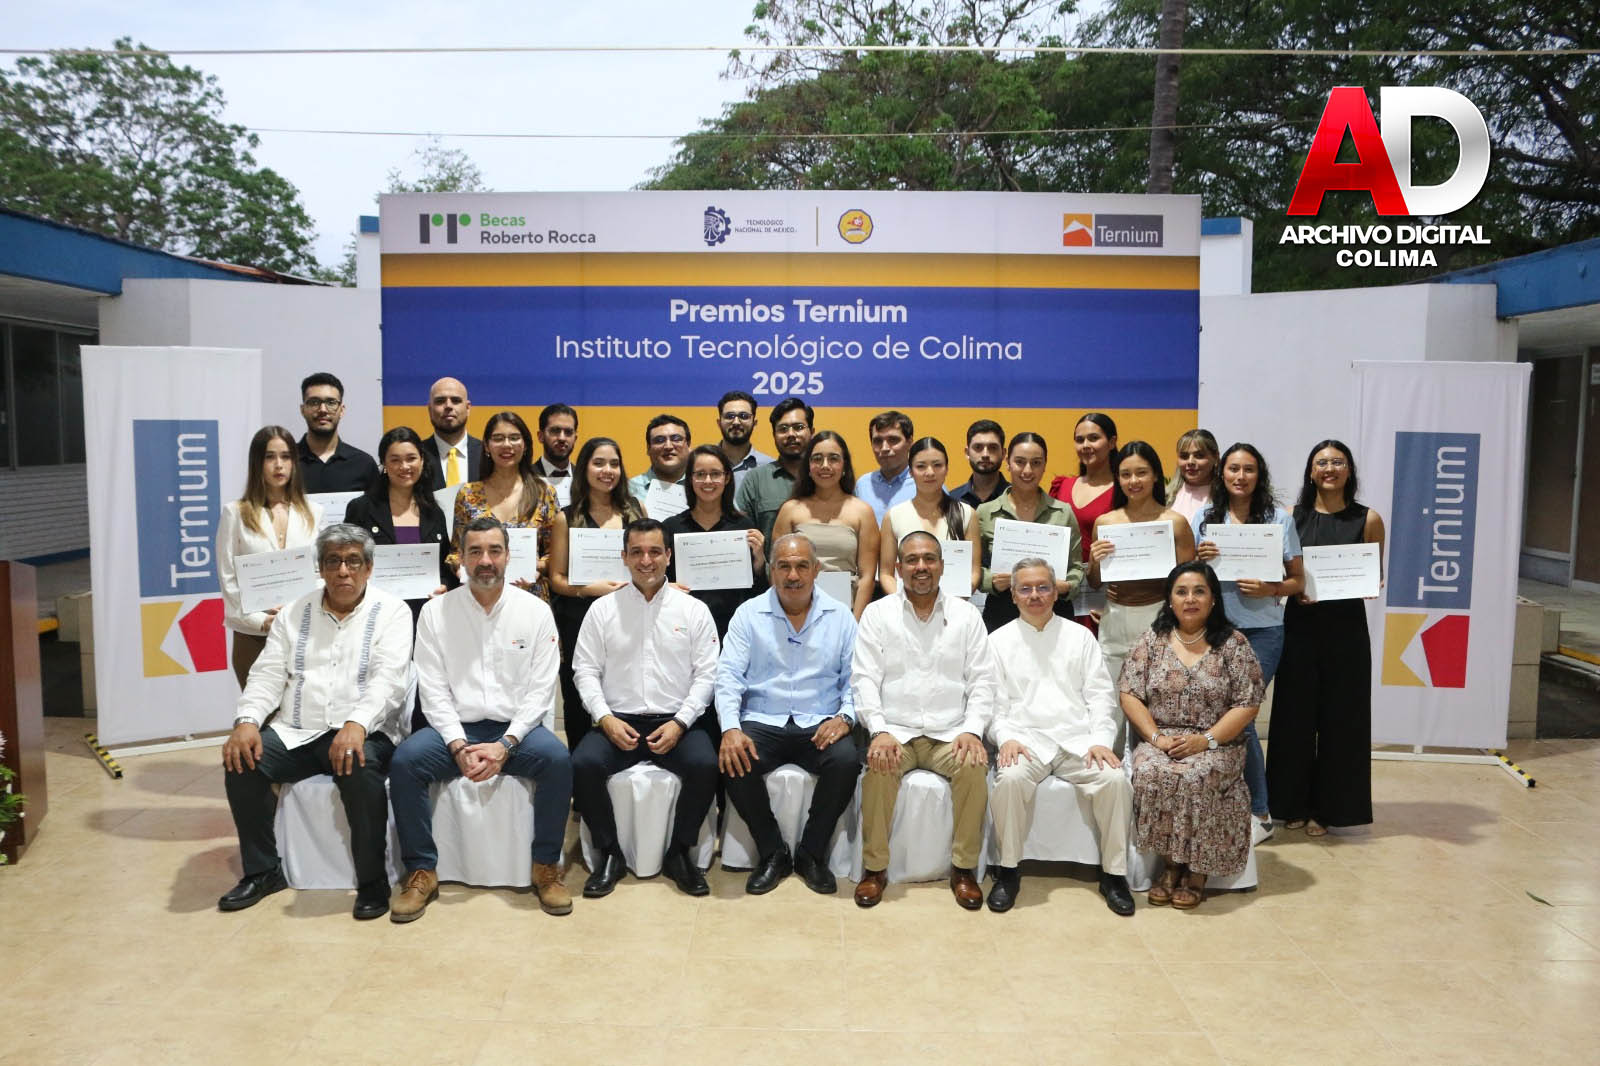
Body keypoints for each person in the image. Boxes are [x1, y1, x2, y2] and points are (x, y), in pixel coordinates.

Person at [217, 524, 411, 920]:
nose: (343, 571)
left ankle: (372, 882)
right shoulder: (293, 612)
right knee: (242, 761)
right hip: (298, 730)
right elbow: (268, 674)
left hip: (365, 729)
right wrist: (247, 720)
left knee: (359, 766)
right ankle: (263, 871)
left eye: (353, 561)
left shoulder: (393, 611)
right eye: (333, 561)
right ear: (319, 568)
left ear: (369, 568)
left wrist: (357, 723)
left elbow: (389, 681)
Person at [388, 517, 574, 921]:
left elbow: (541, 689)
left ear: (508, 556)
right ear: (461, 558)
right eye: (475, 551)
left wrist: (506, 744)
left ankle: (545, 867)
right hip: (454, 729)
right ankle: (421, 871)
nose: (485, 560)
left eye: (494, 551)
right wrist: (457, 745)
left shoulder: (536, 611)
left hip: (517, 731)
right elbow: (432, 689)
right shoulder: (435, 613)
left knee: (558, 761)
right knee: (405, 763)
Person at [571, 518, 721, 898]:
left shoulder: (693, 610)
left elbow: (707, 674)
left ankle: (679, 852)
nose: (646, 560)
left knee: (706, 765)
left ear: (669, 555)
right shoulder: (602, 610)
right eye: (636, 552)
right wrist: (604, 719)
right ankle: (610, 853)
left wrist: (681, 723)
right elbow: (584, 671)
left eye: (655, 551)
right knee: (583, 764)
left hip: (676, 721)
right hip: (617, 721)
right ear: (623, 557)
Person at [852, 532, 997, 909]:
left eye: (930, 559)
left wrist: (972, 730)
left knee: (973, 766)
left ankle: (963, 869)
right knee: (879, 766)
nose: (921, 567)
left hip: (949, 733)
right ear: (898, 567)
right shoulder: (877, 614)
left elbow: (983, 680)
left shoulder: (966, 616)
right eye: (912, 560)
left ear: (943, 566)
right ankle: (875, 869)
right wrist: (878, 730)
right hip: (895, 732)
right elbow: (864, 679)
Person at [986, 558, 1135, 916]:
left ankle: (1114, 874)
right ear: (1013, 595)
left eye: (1043, 587)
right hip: (1025, 740)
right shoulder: (997, 641)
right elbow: (992, 704)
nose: (1034, 595)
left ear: (1056, 592)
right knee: (1009, 780)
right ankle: (1008, 871)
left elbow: (1100, 696)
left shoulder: (1080, 636)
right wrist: (1005, 737)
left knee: (1115, 780)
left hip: (1077, 740)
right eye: (1025, 588)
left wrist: (1101, 740)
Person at [716, 533, 858, 895]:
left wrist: (845, 718)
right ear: (771, 571)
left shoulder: (840, 616)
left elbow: (856, 678)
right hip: (764, 718)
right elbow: (728, 675)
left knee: (845, 760)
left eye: (801, 566)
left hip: (820, 719)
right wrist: (730, 727)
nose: (792, 575)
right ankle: (772, 852)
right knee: (735, 759)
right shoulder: (748, 614)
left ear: (816, 570)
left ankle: (812, 854)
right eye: (783, 566)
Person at [1121, 562, 1264, 909]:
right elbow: (1129, 693)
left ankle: (1197, 871)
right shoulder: (1152, 641)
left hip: (1217, 742)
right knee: (1151, 771)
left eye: (1199, 591)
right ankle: (1171, 865)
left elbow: (1247, 704)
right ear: (1169, 599)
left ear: (1213, 599)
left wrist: (1206, 740)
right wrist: (1156, 739)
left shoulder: (1234, 644)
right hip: (1162, 739)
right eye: (1181, 592)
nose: (1190, 599)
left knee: (1197, 775)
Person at [1268, 439, 1385, 836]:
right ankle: (1291, 804)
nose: (1330, 468)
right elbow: (1283, 573)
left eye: (1338, 461)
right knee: (1293, 716)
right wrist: (1292, 586)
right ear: (1311, 471)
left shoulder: (1368, 519)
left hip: (1347, 630)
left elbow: (1375, 573)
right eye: (1322, 462)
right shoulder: (1291, 517)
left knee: (1343, 719)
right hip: (1300, 626)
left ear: (1349, 470)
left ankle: (1331, 810)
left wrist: (1369, 583)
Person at [1191, 442, 1304, 842]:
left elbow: (1298, 581)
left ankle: (1260, 813)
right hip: (1214, 631)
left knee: (1242, 717)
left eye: (1249, 469)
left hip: (1263, 632)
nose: (1241, 476)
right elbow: (1190, 578)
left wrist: (1271, 588)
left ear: (1260, 475)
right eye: (1234, 469)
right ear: (1222, 474)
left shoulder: (1279, 519)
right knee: (1219, 715)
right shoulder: (1206, 518)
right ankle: (1223, 804)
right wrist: (1199, 559)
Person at [663, 445, 768, 760]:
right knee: (695, 709)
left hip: (732, 632)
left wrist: (759, 561)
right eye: (700, 474)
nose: (707, 481)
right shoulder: (671, 528)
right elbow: (657, 583)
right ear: (689, 479)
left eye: (715, 474)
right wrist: (668, 587)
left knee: (729, 705)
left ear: (727, 479)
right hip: (684, 634)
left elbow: (758, 593)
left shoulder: (743, 527)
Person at [1088, 441, 1197, 746]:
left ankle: (1153, 770)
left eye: (1141, 473)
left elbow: (1188, 583)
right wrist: (1094, 561)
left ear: (1155, 475)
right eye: (1125, 474)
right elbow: (1094, 582)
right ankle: (1109, 771)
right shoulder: (1106, 522)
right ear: (1117, 478)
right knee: (1111, 706)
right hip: (1115, 618)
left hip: (1159, 617)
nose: (1133, 481)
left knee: (1158, 707)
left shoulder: (1175, 523)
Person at [549, 437, 643, 753]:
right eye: (599, 463)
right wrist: (591, 589)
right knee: (578, 696)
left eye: (614, 464)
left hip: (628, 617)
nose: (607, 470)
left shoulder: (635, 510)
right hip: (579, 617)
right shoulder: (566, 517)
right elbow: (556, 579)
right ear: (584, 469)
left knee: (626, 689)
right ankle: (580, 765)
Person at [217, 425, 322, 686]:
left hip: (304, 631)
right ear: (257, 463)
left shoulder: (314, 512)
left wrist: (300, 612)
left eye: (286, 457)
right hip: (253, 636)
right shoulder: (235, 513)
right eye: (269, 457)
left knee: (306, 708)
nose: (279, 465)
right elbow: (228, 578)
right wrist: (261, 621)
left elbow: (320, 573)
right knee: (260, 710)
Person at [343, 427, 455, 625]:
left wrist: (444, 586)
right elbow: (347, 562)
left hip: (425, 615)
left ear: (422, 460)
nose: (404, 466)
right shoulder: (361, 508)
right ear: (384, 464)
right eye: (395, 460)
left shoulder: (434, 512)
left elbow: (444, 566)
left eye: (411, 458)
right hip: (374, 616)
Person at [976, 432, 1082, 632]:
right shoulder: (985, 512)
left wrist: (1067, 586)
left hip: (1054, 611)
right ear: (1007, 463)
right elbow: (974, 568)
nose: (1027, 470)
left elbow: (1076, 567)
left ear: (1044, 465)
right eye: (1020, 462)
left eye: (1036, 463)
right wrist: (992, 581)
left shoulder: (1063, 512)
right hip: (1002, 611)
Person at [770, 431, 880, 619]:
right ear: (808, 466)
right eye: (817, 459)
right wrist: (788, 617)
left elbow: (867, 577)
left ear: (844, 465)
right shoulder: (790, 510)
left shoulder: (863, 512)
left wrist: (854, 623)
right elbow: (777, 570)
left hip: (846, 613)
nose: (825, 465)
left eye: (833, 459)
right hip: (796, 612)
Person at [450, 411, 559, 599]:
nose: (507, 445)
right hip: (480, 594)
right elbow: (455, 553)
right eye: (498, 439)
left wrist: (536, 567)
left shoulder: (544, 492)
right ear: (486, 446)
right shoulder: (467, 494)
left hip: (529, 595)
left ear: (525, 445)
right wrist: (460, 567)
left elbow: (555, 554)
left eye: (514, 438)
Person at [878, 437, 980, 596]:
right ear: (910, 472)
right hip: (905, 606)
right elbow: (886, 574)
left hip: (953, 606)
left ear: (947, 469)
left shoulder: (966, 514)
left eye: (937, 465)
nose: (930, 472)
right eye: (921, 466)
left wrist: (952, 604)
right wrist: (905, 603)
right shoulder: (894, 516)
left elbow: (974, 572)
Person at [1050, 413, 1118, 631]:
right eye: (1080, 440)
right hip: (1062, 592)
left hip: (1104, 598)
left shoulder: (1124, 490)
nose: (1086, 445)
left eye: (1094, 438)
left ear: (1112, 442)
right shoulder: (1062, 486)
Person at [735, 396, 814, 541]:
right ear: (774, 435)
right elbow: (739, 534)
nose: (791, 434)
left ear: (812, 432)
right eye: (783, 429)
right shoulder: (756, 480)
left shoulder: (826, 478)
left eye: (798, 427)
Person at [295, 372, 378, 494]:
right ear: (303, 410)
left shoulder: (363, 464)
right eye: (314, 402)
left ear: (342, 410)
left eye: (331, 402)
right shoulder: (287, 461)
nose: (323, 410)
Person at [421, 376, 479, 491]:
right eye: (440, 401)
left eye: (456, 400)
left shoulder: (488, 454)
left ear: (468, 408)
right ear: (430, 409)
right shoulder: (416, 455)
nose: (448, 406)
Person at [857, 410, 916, 523]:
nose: (884, 448)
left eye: (893, 440)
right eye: (878, 441)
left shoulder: (927, 484)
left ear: (910, 442)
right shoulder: (862, 485)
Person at [628, 414, 692, 512]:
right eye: (659, 440)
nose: (668, 446)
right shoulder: (628, 490)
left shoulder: (703, 485)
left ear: (688, 445)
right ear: (648, 448)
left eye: (675, 439)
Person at [715, 390, 772, 491]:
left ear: (754, 423)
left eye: (744, 416)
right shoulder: (700, 464)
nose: (736, 422)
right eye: (729, 416)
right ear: (719, 423)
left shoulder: (770, 468)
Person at [951, 418, 1008, 509]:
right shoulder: (951, 501)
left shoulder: (1017, 498)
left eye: (993, 448)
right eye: (978, 447)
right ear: (967, 453)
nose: (985, 454)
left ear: (1003, 453)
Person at [1168, 428, 1219, 522]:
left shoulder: (1228, 499)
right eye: (1184, 456)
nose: (1190, 462)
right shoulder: (1166, 498)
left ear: (1215, 457)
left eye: (1199, 456)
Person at [535, 403, 579, 480]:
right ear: (541, 436)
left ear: (575, 438)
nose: (562, 438)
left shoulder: (584, 480)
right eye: (555, 431)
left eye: (568, 432)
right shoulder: (524, 478)